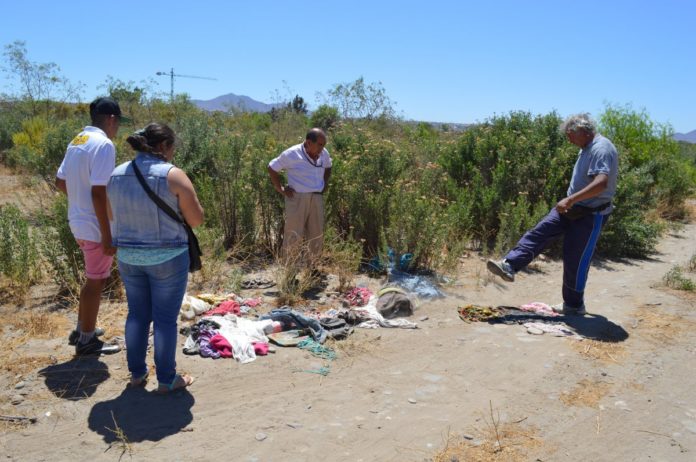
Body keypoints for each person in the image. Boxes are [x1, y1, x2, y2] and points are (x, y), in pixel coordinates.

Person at [487, 113, 619, 315]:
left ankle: (574, 306)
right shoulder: (587, 147)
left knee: (576, 258)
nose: (568, 139)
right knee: (540, 232)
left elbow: (600, 184)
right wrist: (570, 201)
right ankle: (509, 265)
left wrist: (571, 199)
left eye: (570, 135)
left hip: (590, 214)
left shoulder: (601, 148)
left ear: (583, 132)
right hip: (570, 208)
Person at [107, 123, 203, 392]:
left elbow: (111, 215)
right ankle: (166, 379)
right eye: (172, 147)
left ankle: (137, 375)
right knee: (164, 319)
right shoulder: (173, 176)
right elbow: (195, 220)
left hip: (129, 256)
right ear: (163, 147)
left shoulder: (116, 174)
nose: (172, 153)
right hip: (168, 257)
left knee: (137, 315)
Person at [55, 97, 128, 355]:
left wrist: (79, 205)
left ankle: (81, 329)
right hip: (95, 226)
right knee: (95, 282)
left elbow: (60, 181)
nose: (117, 128)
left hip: (79, 221)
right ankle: (86, 340)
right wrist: (107, 235)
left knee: (91, 280)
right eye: (118, 122)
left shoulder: (78, 141)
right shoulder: (104, 145)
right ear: (111, 119)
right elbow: (99, 193)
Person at [268, 128, 332, 265]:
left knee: (316, 234)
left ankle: (313, 268)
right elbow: (272, 167)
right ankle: (290, 271)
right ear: (309, 142)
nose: (322, 148)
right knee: (293, 234)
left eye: (324, 144)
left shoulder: (323, 153)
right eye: (320, 144)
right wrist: (280, 189)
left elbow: (328, 166)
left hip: (316, 197)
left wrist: (325, 183)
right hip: (297, 198)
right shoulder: (292, 154)